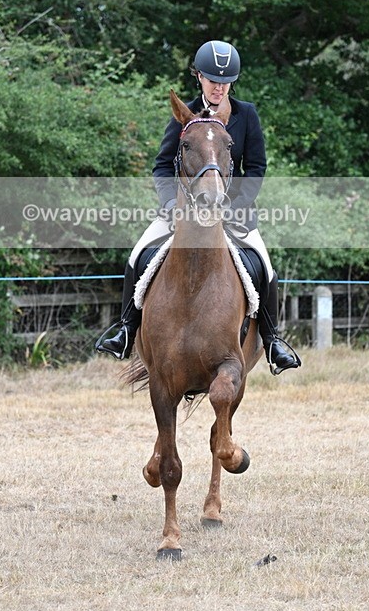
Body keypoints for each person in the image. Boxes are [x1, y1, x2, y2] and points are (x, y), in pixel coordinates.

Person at [95, 40, 301, 375]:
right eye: (212, 79)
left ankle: (273, 340)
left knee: (265, 265)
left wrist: (235, 205)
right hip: (183, 213)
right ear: (199, 78)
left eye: (225, 80)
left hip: (232, 213)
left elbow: (257, 168)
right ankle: (125, 330)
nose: (219, 86)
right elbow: (162, 165)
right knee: (137, 255)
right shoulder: (183, 114)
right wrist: (169, 204)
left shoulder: (246, 114)